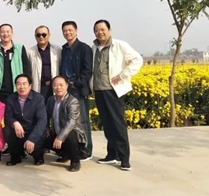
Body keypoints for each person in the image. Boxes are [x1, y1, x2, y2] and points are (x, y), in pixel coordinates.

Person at [92, 20, 143, 171]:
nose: (100, 32)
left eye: (102, 29)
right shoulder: (94, 47)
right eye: (97, 30)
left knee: (118, 124)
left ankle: (124, 158)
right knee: (107, 124)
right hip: (99, 90)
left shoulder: (120, 45)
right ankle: (112, 154)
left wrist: (122, 75)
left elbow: (137, 60)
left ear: (109, 30)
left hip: (113, 91)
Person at [60, 21, 94, 160]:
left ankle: (86, 150)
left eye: (70, 30)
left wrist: (77, 83)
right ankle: (71, 150)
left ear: (76, 31)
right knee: (67, 120)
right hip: (65, 90)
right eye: (65, 30)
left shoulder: (84, 48)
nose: (67, 33)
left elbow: (88, 70)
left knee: (83, 121)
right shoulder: (64, 49)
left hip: (78, 90)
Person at [44, 76, 87, 172]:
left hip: (74, 134)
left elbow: (71, 122)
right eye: (55, 85)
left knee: (69, 134)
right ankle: (64, 153)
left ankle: (75, 161)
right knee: (41, 136)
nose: (58, 88)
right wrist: (46, 129)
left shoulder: (73, 101)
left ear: (67, 86)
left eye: (61, 85)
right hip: (57, 132)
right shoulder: (51, 100)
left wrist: (60, 137)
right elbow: (45, 116)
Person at [4, 74, 47, 166]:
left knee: (34, 148)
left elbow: (42, 120)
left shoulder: (38, 98)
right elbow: (7, 117)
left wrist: (32, 139)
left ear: (30, 85)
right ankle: (15, 157)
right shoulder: (11, 98)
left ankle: (38, 157)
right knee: (7, 130)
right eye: (18, 84)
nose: (21, 87)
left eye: (24, 84)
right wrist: (14, 122)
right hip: (19, 130)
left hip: (33, 130)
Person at [0, 24, 32, 104]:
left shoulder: (20, 48)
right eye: (2, 32)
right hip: (1, 90)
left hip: (18, 88)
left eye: (8, 31)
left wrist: (28, 84)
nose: (5, 34)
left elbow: (26, 67)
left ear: (12, 33)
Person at [28, 25, 61, 102]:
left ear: (49, 35)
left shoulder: (57, 50)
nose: (41, 37)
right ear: (35, 37)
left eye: (44, 34)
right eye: (38, 35)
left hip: (53, 86)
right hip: (38, 86)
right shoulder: (30, 52)